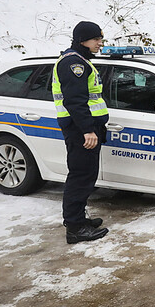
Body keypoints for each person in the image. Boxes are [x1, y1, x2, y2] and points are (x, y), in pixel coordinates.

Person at [52, 21, 110, 244]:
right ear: (82, 40)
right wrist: (87, 130)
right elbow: (75, 101)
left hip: (85, 127)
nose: (100, 43)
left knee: (86, 175)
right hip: (80, 129)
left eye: (100, 39)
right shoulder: (73, 63)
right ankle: (75, 228)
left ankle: (79, 219)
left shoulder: (81, 61)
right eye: (96, 39)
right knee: (80, 177)